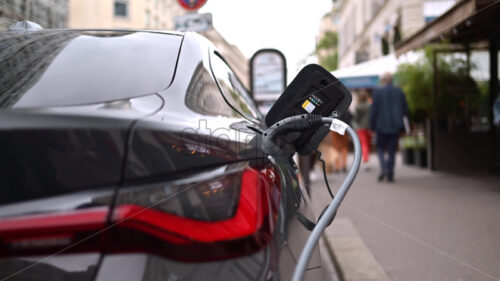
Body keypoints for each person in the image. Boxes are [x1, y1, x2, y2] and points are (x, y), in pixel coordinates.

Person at [370, 73, 408, 182]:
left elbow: (374, 111)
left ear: (383, 81)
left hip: (381, 126)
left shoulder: (377, 93)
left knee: (380, 148)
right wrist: (405, 128)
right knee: (392, 150)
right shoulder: (399, 92)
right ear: (392, 81)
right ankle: (390, 172)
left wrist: (372, 126)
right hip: (395, 125)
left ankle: (384, 168)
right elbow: (405, 110)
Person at [353, 90, 372, 167]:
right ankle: (367, 158)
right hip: (369, 127)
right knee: (368, 143)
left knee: (363, 144)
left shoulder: (358, 106)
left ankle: (366, 159)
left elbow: (356, 118)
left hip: (361, 127)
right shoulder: (370, 105)